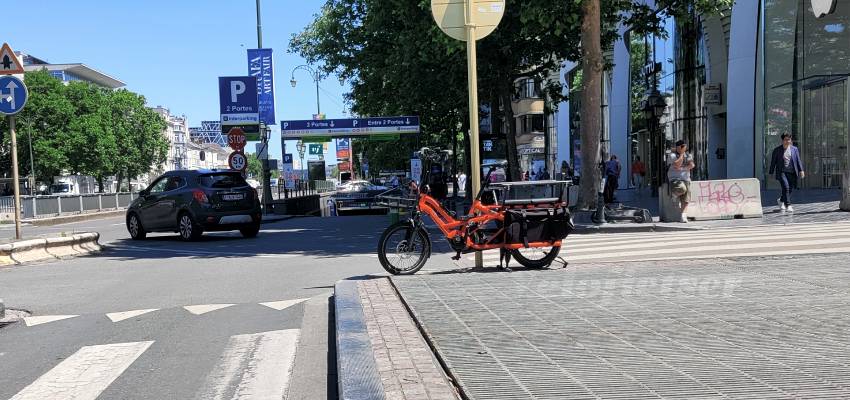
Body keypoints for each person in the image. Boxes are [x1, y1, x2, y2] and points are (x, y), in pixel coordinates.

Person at [768, 133, 805, 213]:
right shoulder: (777, 150)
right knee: (786, 187)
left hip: (792, 172)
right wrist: (771, 173)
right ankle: (788, 205)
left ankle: (781, 200)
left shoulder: (794, 149)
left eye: (789, 139)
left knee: (790, 189)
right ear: (782, 140)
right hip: (782, 172)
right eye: (785, 140)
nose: (787, 141)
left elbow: (798, 160)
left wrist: (801, 170)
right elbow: (773, 162)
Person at [667, 140, 695, 223]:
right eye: (682, 147)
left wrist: (683, 168)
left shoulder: (688, 155)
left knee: (686, 199)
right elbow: (677, 165)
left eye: (684, 147)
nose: (684, 148)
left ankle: (683, 216)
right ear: (677, 147)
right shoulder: (672, 155)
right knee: (681, 188)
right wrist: (682, 154)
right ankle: (674, 194)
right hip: (675, 178)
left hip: (686, 178)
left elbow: (692, 165)